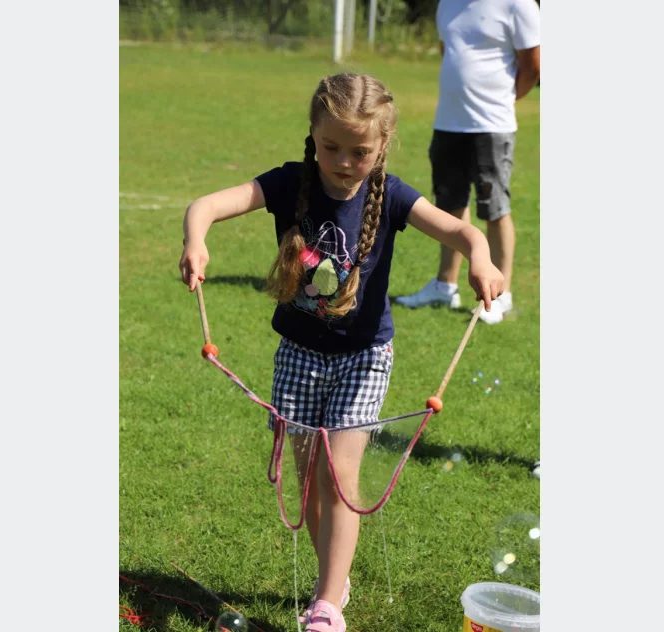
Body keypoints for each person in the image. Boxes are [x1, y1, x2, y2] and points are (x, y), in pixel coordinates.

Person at [179, 73, 504, 632]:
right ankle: (338, 571)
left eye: (359, 151)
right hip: (299, 354)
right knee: (309, 482)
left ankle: (327, 604)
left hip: (364, 357)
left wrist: (480, 256)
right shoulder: (287, 184)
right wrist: (196, 238)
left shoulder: (394, 195)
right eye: (332, 147)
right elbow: (205, 205)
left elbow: (463, 233)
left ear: (382, 146)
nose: (344, 161)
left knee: (339, 477)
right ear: (313, 135)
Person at [395, 0, 541, 325]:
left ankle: (501, 296)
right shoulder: (448, 4)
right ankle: (445, 286)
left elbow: (533, 66)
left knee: (494, 208)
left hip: (493, 125)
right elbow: (450, 51)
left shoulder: (519, 5)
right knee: (449, 206)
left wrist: (502, 100)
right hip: (448, 122)